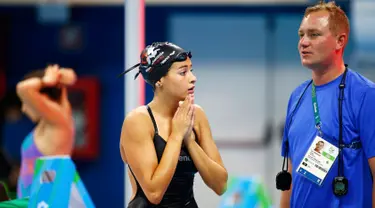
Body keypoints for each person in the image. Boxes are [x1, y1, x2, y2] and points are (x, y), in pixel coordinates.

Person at [279, 1, 375, 208]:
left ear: (340, 41)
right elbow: (291, 178)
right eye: (301, 35)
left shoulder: (365, 95)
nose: (303, 42)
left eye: (314, 34)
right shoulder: (297, 97)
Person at [119, 42, 228, 207]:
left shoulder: (196, 115)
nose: (193, 78)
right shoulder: (138, 121)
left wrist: (189, 141)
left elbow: (221, 185)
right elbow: (154, 193)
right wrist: (177, 136)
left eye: (191, 70)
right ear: (160, 80)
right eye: (183, 72)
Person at [16, 65, 77, 198]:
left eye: (26, 102)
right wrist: (59, 76)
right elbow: (70, 76)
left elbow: (23, 88)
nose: (23, 109)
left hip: (47, 200)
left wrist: (46, 81)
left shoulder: (59, 119)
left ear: (42, 97)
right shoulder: (50, 121)